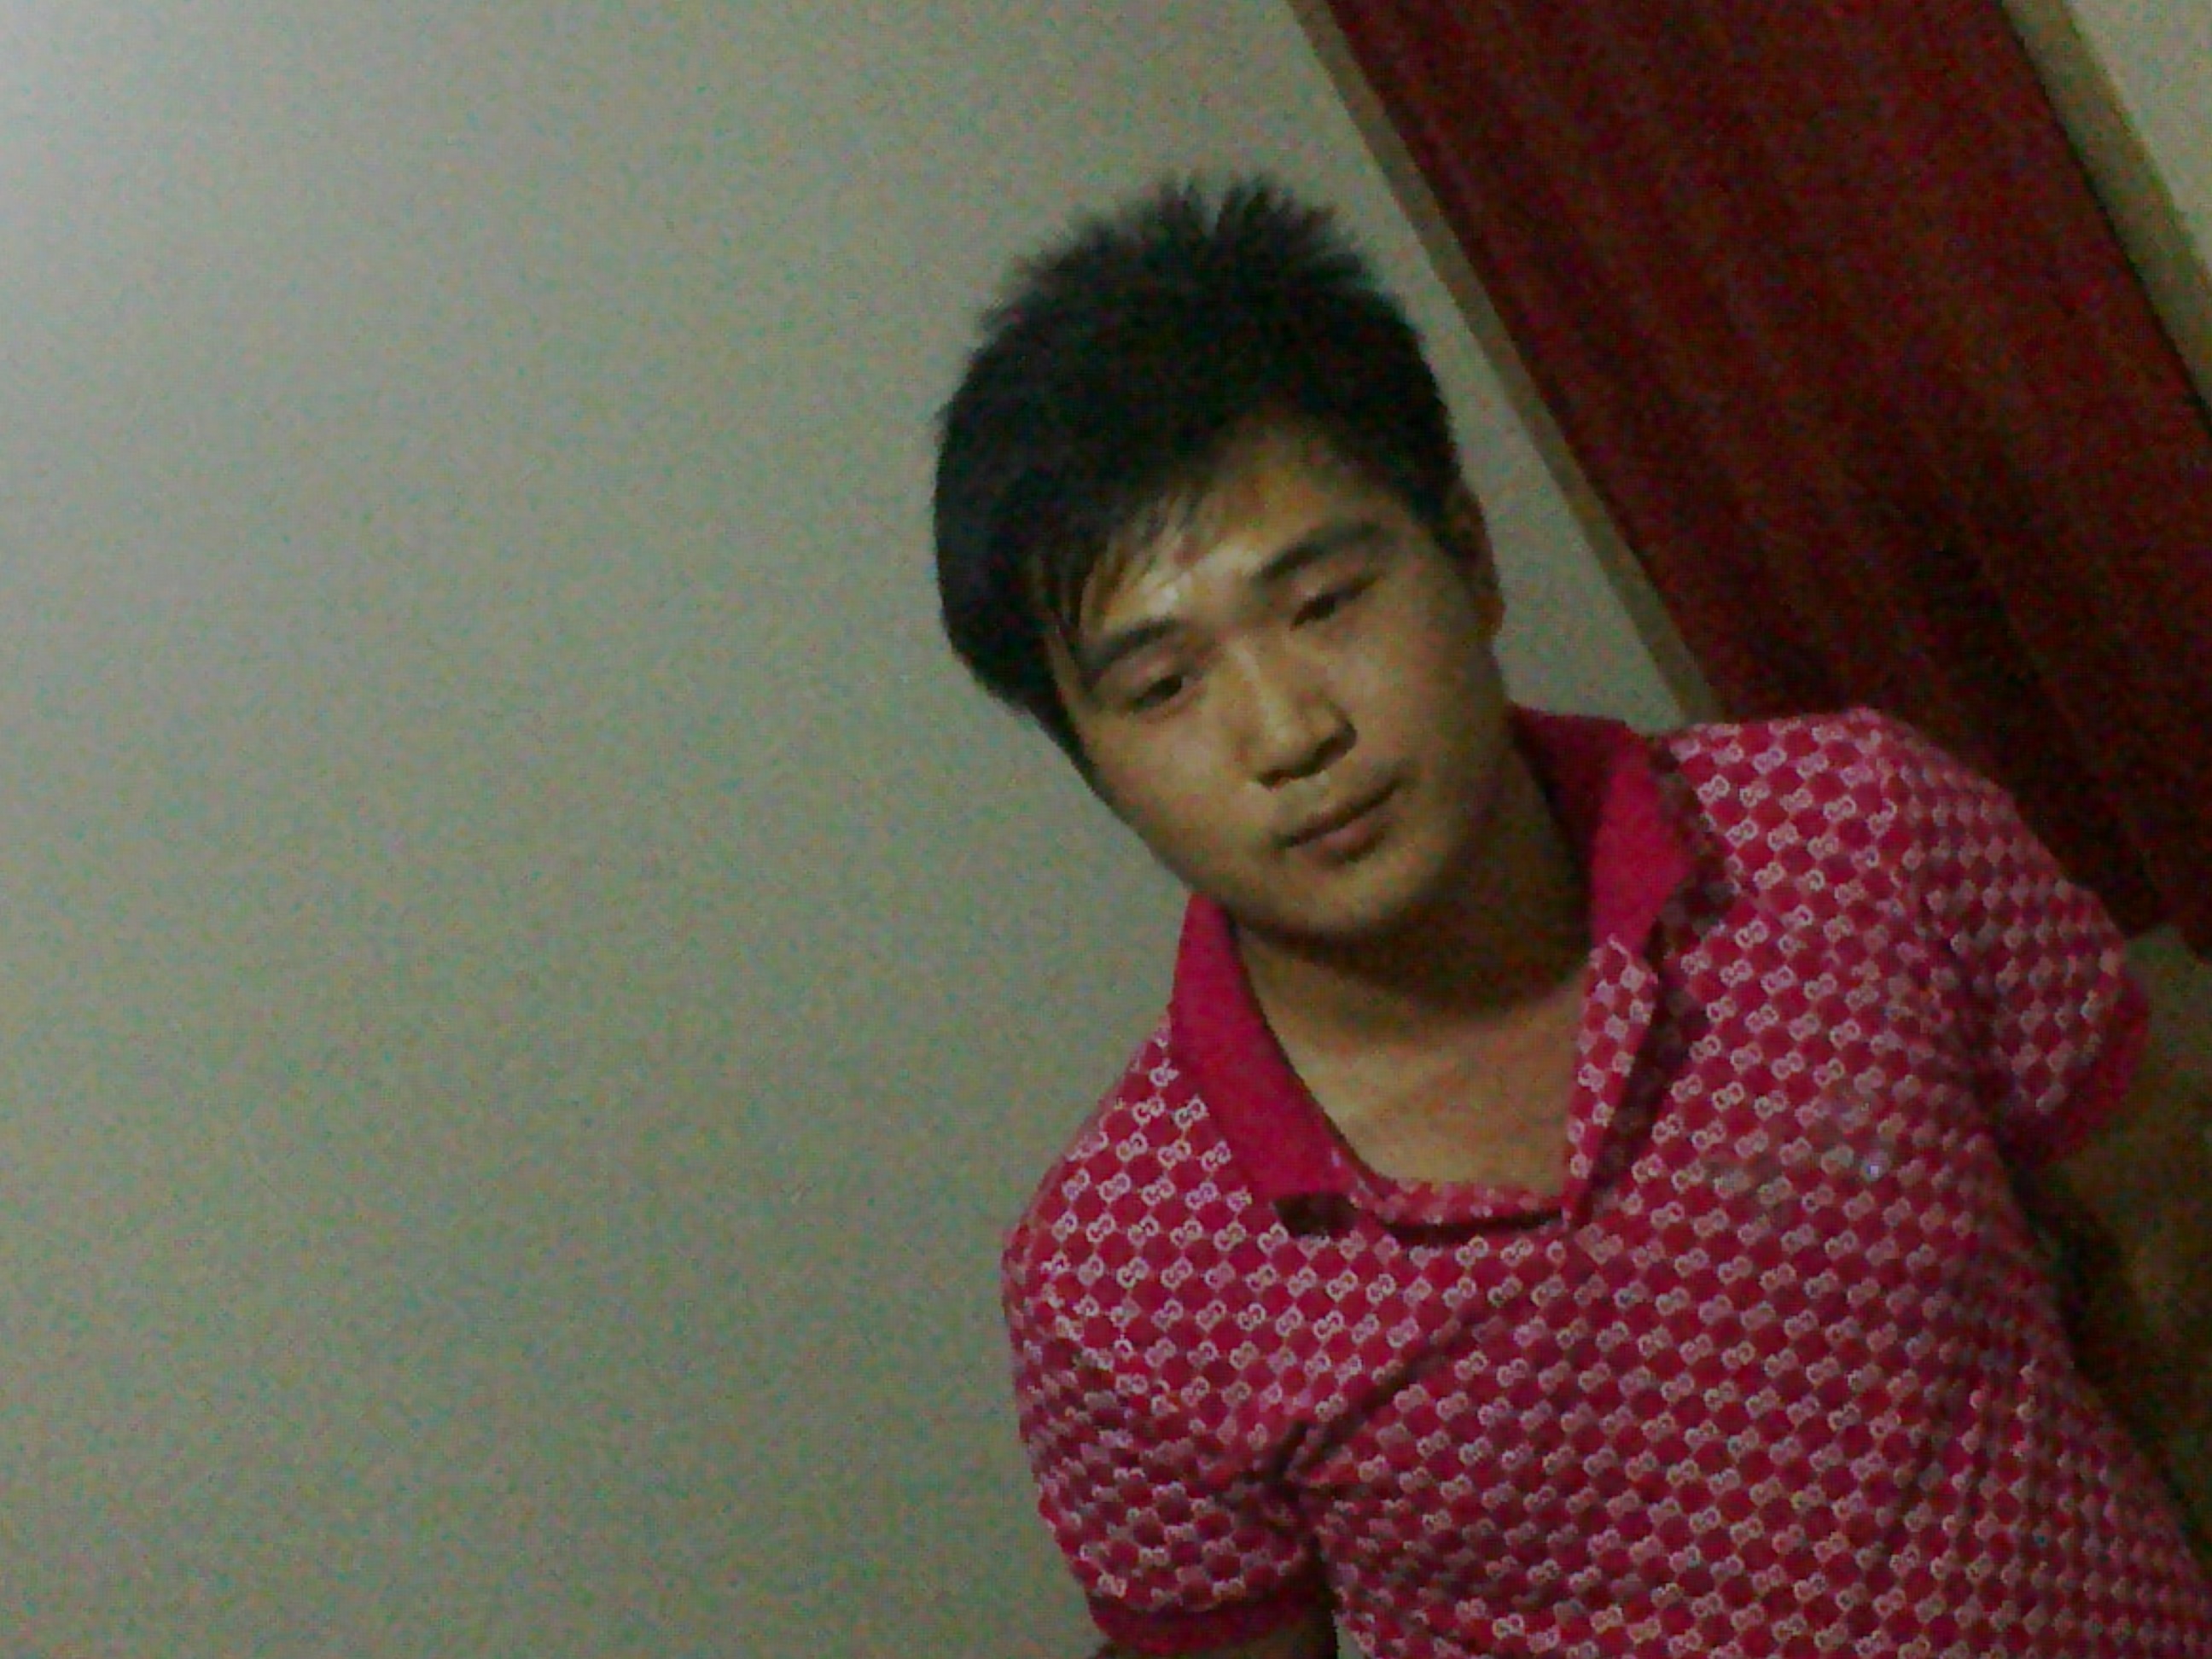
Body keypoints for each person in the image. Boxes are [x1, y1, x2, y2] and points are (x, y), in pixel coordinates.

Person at [930, 178, 2212, 1659]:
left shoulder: (1855, 830)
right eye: (1163, 687)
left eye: (1327, 603)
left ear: (1469, 558)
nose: (1288, 731)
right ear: (1093, 763)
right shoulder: (1122, 1280)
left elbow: (2157, 1213)